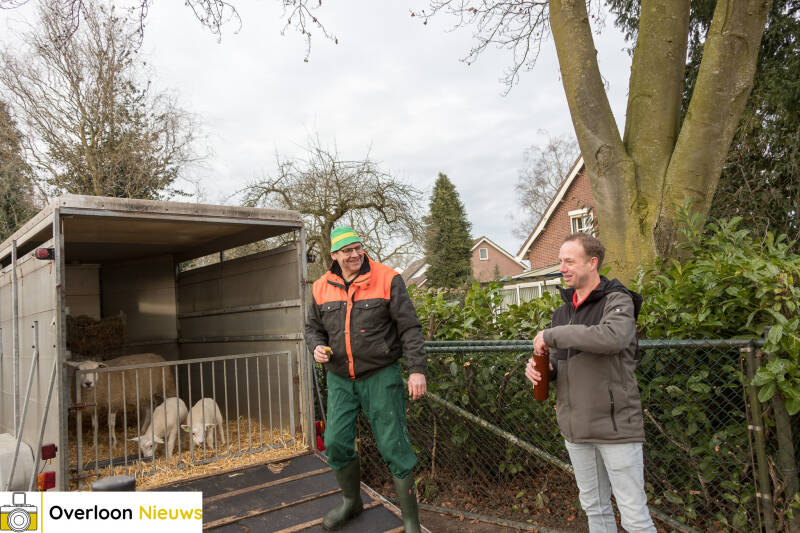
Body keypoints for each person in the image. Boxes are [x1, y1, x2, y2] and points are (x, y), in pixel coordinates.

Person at [526, 233, 656, 532]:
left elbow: (613, 338)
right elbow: (559, 363)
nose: (562, 268)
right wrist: (541, 370)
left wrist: (552, 335)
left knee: (634, 516)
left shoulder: (617, 300)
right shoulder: (563, 312)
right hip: (576, 429)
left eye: (569, 261)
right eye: (561, 261)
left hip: (615, 428)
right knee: (595, 510)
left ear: (592, 262)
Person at [306, 226, 426, 532]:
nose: (355, 254)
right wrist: (316, 346)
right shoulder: (320, 287)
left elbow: (410, 327)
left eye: (358, 248)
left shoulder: (387, 278)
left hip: (380, 375)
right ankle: (351, 502)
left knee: (394, 445)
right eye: (347, 250)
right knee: (335, 443)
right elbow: (313, 329)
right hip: (340, 379)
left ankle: (411, 522)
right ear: (334, 255)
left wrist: (416, 370)